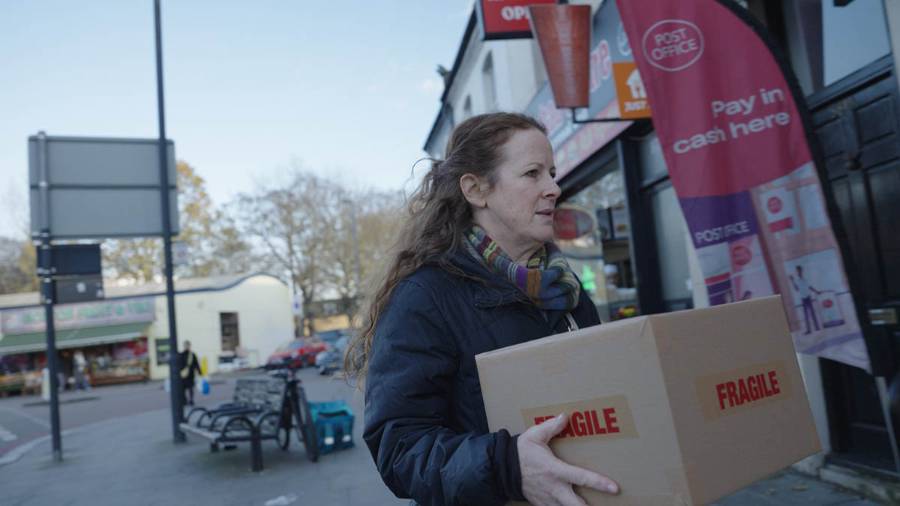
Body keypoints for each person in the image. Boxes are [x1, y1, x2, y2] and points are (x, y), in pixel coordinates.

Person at [345, 113, 619, 506]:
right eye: (532, 173)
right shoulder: (424, 297)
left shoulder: (568, 290)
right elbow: (400, 449)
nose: (554, 188)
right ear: (476, 189)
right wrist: (507, 467)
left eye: (553, 173)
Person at [789, 265, 821, 334]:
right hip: (803, 299)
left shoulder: (805, 278)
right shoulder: (797, 280)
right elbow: (796, 289)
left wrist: (817, 291)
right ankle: (808, 330)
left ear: (801, 270)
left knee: (812, 313)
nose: (799, 271)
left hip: (808, 297)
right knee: (806, 315)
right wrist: (792, 281)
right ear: (797, 271)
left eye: (800, 270)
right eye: (798, 270)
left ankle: (817, 327)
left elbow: (810, 287)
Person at [178, 341, 202, 406]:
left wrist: (200, 372)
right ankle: (184, 401)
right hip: (182, 375)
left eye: (188, 345)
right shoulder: (181, 354)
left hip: (190, 375)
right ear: (184, 346)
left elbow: (196, 364)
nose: (187, 347)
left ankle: (191, 400)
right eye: (186, 345)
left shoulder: (192, 355)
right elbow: (178, 365)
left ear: (190, 346)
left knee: (191, 388)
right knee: (182, 389)